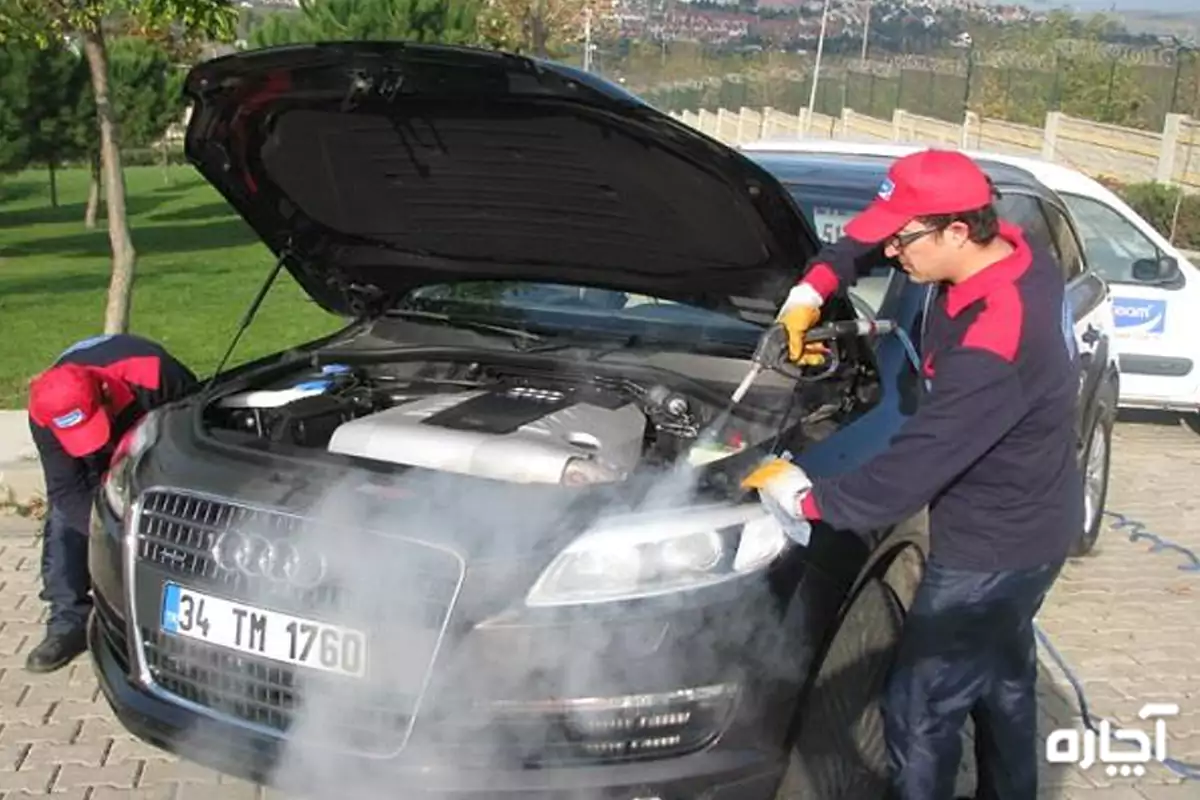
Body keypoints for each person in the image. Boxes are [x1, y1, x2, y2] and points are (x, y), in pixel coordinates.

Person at [742, 149, 1083, 800]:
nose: (891, 253)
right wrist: (807, 295)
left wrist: (806, 499)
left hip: (996, 547)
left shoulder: (1000, 335)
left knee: (919, 710)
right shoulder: (1009, 248)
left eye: (903, 238)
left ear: (958, 229)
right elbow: (865, 244)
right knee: (1003, 688)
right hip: (1031, 520)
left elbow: (911, 469)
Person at [25, 333, 198, 673]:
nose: (89, 445)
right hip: (93, 421)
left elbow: (189, 449)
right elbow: (67, 490)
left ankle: (177, 617)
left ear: (103, 393)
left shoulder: (156, 376)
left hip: (152, 420)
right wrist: (110, 534)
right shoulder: (45, 410)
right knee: (64, 518)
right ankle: (67, 619)